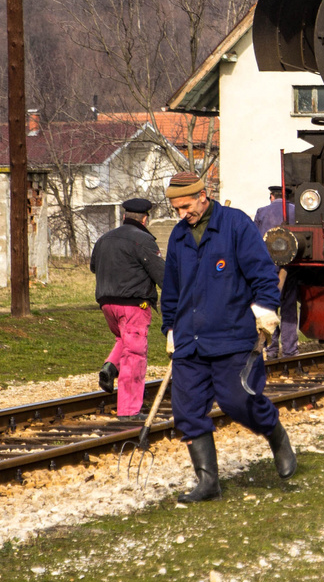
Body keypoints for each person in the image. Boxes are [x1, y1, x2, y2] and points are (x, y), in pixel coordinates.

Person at [160, 171, 296, 502]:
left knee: (240, 401)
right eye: (176, 208)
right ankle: (208, 483)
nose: (181, 214)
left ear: (203, 195)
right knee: (187, 411)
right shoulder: (178, 238)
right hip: (190, 340)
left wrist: (265, 310)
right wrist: (170, 328)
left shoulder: (235, 225)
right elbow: (172, 291)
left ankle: (275, 434)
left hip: (233, 336)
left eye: (185, 206)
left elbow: (263, 274)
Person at [89, 197, 164, 423]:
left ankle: (111, 366)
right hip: (134, 305)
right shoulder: (144, 241)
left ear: (124, 216)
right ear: (145, 218)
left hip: (106, 303)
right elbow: (162, 275)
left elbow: (94, 266)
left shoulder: (104, 239)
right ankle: (129, 410)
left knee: (124, 339)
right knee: (135, 354)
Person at [254, 186, 300, 359]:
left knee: (268, 306)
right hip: (290, 265)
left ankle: (271, 348)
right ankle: (290, 350)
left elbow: (256, 237)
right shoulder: (296, 211)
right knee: (289, 308)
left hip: (267, 267)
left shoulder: (262, 212)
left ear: (272, 196)